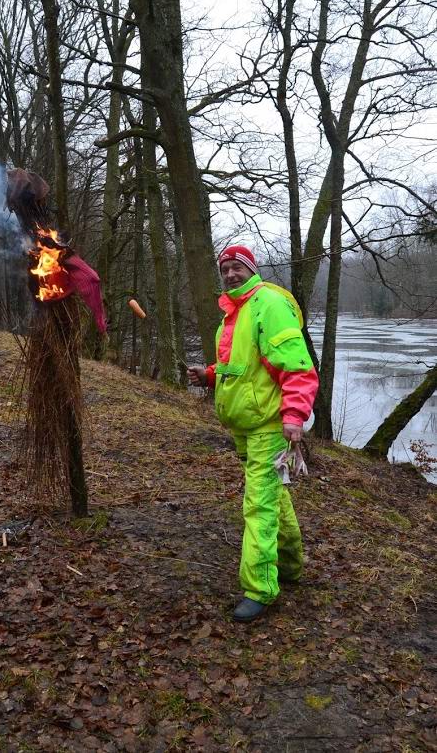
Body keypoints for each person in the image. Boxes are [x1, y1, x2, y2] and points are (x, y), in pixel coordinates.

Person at [188, 245, 318, 622]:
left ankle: (261, 589)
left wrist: (295, 416)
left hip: (269, 426)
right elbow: (242, 367)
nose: (230, 274)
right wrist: (210, 375)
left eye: (237, 267)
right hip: (244, 426)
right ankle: (291, 566)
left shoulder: (267, 306)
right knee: (273, 495)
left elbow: (297, 367)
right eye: (225, 268)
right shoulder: (232, 315)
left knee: (258, 503)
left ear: (251, 269)